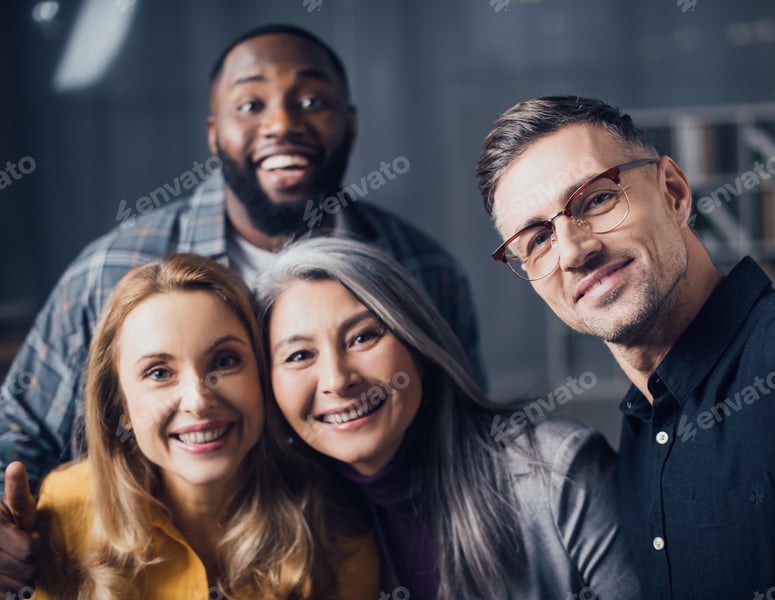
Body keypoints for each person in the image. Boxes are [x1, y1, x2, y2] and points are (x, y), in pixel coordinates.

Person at [0, 23, 485, 496]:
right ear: (214, 135)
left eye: (312, 102)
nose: (282, 125)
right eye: (251, 105)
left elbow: (469, 439)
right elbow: (18, 438)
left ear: (351, 123)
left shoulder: (424, 270)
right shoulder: (108, 274)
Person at [475, 94, 775, 599]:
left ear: (673, 192)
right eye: (537, 240)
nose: (573, 251)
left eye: (596, 199)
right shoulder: (634, 447)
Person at [254, 238, 642, 599]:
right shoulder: (280, 533)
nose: (338, 381)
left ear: (418, 347)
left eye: (362, 338)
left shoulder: (557, 471)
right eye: (299, 356)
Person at [12, 254, 376, 598]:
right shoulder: (59, 515)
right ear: (120, 404)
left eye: (225, 361)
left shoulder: (336, 532)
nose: (199, 401)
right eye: (159, 373)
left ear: (264, 376)